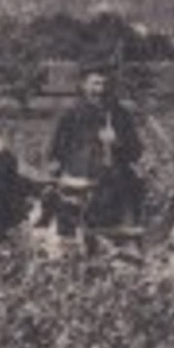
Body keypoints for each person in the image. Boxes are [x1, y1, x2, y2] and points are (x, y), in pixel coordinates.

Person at [45, 63, 145, 249]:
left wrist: (117, 142)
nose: (100, 90)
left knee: (120, 227)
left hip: (114, 184)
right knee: (68, 229)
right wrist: (56, 173)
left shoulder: (120, 115)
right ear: (83, 85)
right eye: (95, 84)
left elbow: (136, 151)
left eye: (104, 84)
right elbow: (56, 152)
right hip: (79, 182)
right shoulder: (71, 116)